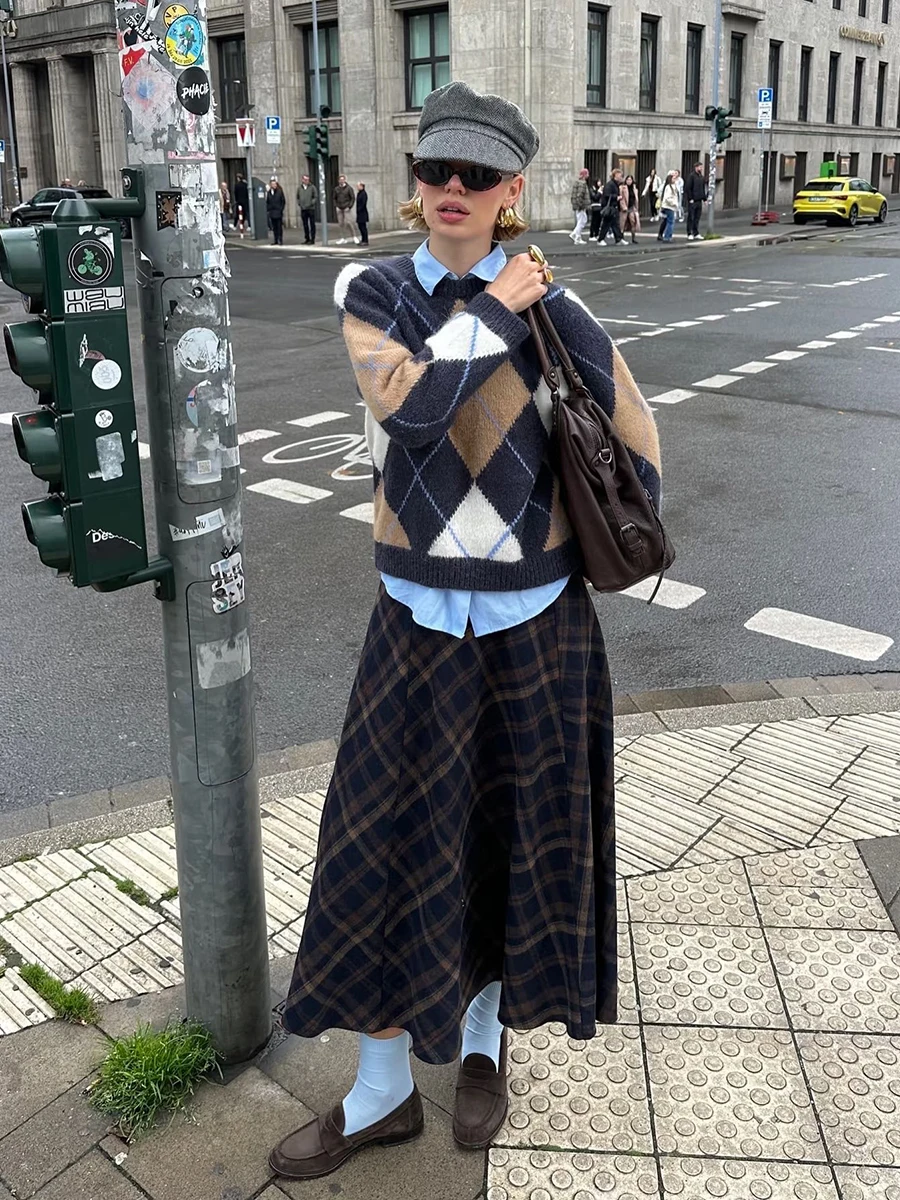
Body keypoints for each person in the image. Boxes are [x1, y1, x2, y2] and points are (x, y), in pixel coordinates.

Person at [269, 78, 661, 1184]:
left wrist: (588, 526)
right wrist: (490, 309)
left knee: (504, 840)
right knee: (380, 850)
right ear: (416, 182)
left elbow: (634, 435)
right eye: (436, 169)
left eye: (477, 175)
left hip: (537, 625)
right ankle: (381, 1088)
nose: (453, 188)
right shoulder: (378, 291)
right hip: (417, 620)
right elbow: (411, 408)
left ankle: (483, 1046)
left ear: (511, 190)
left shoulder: (555, 307)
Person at [597, 167, 624, 246]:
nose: (621, 177)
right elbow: (607, 195)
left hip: (613, 207)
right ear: (615, 175)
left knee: (614, 224)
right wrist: (616, 197)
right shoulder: (610, 184)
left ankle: (618, 239)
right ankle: (601, 239)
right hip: (610, 207)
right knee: (607, 224)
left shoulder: (614, 184)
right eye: (620, 175)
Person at [685, 162, 707, 241]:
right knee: (691, 217)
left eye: (701, 167)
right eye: (700, 167)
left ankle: (696, 232)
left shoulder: (701, 177)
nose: (701, 168)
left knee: (697, 218)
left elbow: (702, 189)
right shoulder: (691, 176)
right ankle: (689, 233)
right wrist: (690, 198)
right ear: (696, 167)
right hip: (693, 200)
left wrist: (704, 199)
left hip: (699, 200)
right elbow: (688, 188)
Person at [334, 174, 359, 244]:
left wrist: (349, 206)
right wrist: (336, 206)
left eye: (343, 180)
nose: (341, 181)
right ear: (338, 180)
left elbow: (352, 198)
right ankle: (343, 238)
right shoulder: (336, 189)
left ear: (345, 180)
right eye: (340, 180)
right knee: (341, 223)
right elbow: (334, 198)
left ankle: (354, 236)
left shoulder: (349, 188)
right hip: (339, 207)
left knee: (349, 222)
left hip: (346, 207)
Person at [569, 167, 590, 244]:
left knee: (581, 220)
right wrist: (580, 204)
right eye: (587, 173)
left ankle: (576, 235)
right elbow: (580, 195)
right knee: (582, 220)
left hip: (577, 205)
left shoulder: (577, 183)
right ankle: (576, 235)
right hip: (581, 206)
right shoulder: (582, 183)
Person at [657, 171, 679, 242]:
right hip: (669, 206)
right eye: (673, 178)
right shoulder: (669, 187)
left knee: (668, 221)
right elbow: (667, 198)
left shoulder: (673, 186)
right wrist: (674, 203)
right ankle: (667, 236)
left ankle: (667, 236)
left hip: (669, 206)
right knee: (670, 222)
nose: (675, 179)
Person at [620, 174, 641, 244]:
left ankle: (633, 238)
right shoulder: (622, 188)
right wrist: (623, 207)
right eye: (628, 180)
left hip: (632, 207)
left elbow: (635, 199)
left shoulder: (634, 189)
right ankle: (621, 237)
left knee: (633, 222)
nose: (629, 181)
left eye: (630, 180)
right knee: (623, 223)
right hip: (625, 208)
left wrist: (636, 207)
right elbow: (621, 198)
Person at [297, 174, 318, 244]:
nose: (306, 181)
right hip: (303, 209)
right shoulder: (299, 188)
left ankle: (312, 239)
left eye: (307, 180)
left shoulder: (312, 187)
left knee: (312, 224)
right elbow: (297, 197)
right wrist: (299, 203)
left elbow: (315, 196)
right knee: (305, 224)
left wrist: (312, 203)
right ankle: (307, 238)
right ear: (302, 180)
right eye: (305, 180)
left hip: (310, 208)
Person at [266, 176, 285, 245]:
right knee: (274, 227)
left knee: (279, 227)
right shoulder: (269, 192)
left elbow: (283, 201)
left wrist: (281, 209)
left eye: (275, 184)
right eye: (272, 184)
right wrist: (269, 209)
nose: (274, 185)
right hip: (272, 212)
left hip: (278, 212)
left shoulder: (280, 192)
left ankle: (280, 240)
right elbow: (267, 201)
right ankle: (275, 240)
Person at [355, 181, 369, 246]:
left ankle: (365, 240)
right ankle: (363, 239)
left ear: (362, 186)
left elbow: (363, 203)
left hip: (362, 213)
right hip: (359, 213)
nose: (357, 187)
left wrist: (359, 209)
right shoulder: (359, 193)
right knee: (360, 226)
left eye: (358, 186)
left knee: (363, 227)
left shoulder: (363, 194)